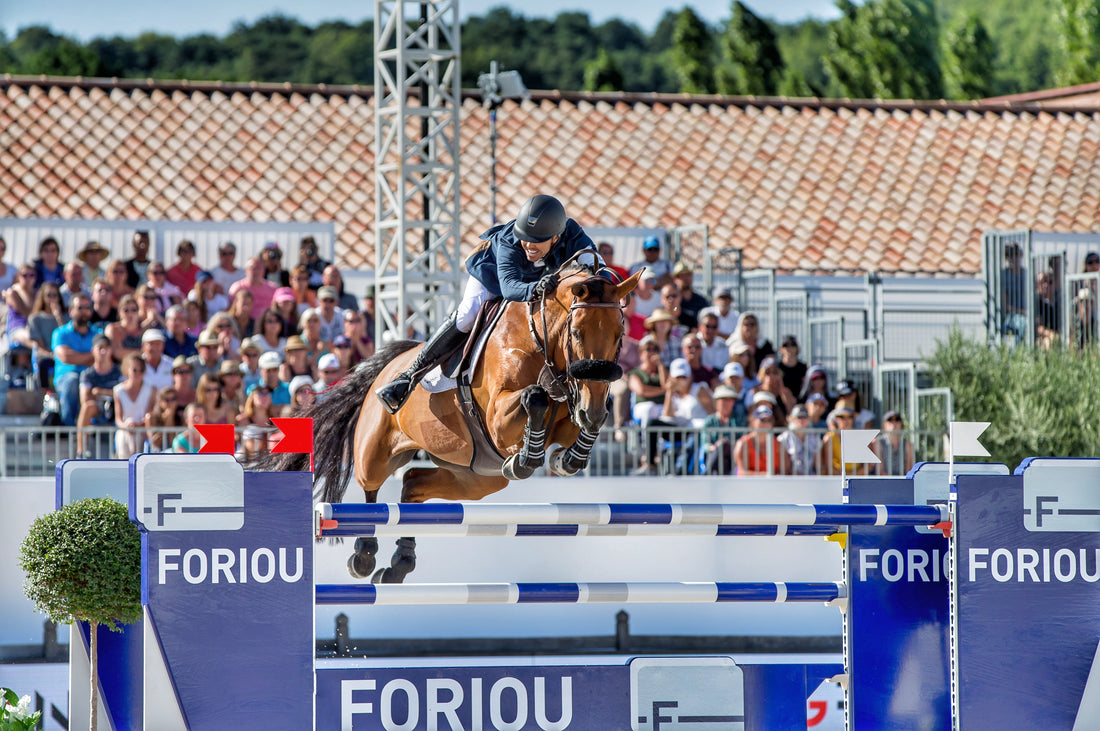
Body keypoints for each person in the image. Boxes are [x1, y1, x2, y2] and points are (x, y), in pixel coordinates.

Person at [377, 194, 602, 413]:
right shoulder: (509, 241)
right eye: (526, 238)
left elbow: (599, 269)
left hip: (538, 282)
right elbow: (509, 287)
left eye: (537, 241)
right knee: (468, 313)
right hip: (492, 276)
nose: (529, 246)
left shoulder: (573, 234)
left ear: (556, 236)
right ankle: (409, 376)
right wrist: (534, 288)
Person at [634, 358, 708, 475]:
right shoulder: (674, 395)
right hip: (681, 430)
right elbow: (667, 416)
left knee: (693, 438)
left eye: (684, 377)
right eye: (678, 377)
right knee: (652, 424)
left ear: (690, 377)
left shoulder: (700, 389)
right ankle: (649, 464)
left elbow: (713, 412)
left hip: (698, 430)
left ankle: (677, 472)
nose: (681, 380)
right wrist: (669, 392)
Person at [51, 293, 100, 427]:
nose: (84, 312)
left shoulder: (99, 333)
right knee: (73, 380)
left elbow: (102, 357)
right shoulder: (60, 333)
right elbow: (66, 357)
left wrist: (76, 356)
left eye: (87, 308)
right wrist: (91, 356)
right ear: (70, 311)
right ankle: (69, 428)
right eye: (80, 308)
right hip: (66, 377)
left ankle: (96, 427)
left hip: (92, 376)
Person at [76, 334, 122, 457]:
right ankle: (81, 452)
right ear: (93, 351)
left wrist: (100, 392)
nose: (103, 351)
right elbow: (85, 399)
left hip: (117, 407)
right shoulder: (87, 374)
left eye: (106, 347)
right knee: (87, 407)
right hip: (99, 409)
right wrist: (111, 393)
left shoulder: (119, 371)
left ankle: (120, 451)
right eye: (100, 347)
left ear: (111, 350)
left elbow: (125, 394)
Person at [113, 352, 155, 459]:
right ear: (127, 369)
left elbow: (149, 414)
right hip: (125, 431)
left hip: (143, 431)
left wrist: (137, 425)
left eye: (141, 370)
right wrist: (127, 426)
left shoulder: (151, 389)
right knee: (123, 437)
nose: (138, 373)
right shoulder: (118, 390)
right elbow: (118, 419)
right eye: (135, 370)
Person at [733, 405, 789, 476]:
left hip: (772, 485)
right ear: (753, 421)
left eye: (770, 420)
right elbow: (742, 472)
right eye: (763, 420)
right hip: (749, 485)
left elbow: (785, 471)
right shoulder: (743, 444)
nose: (766, 423)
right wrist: (764, 475)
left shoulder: (778, 445)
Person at [816, 406, 870, 476]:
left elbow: (868, 466)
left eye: (849, 417)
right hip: (835, 480)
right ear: (836, 419)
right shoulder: (830, 438)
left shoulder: (860, 437)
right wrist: (847, 477)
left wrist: (851, 477)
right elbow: (828, 467)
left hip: (856, 479)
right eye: (841, 417)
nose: (846, 420)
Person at [700, 384, 741, 475]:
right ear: (716, 401)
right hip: (713, 455)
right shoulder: (709, 421)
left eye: (730, 399)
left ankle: (707, 474)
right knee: (721, 451)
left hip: (733, 457)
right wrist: (716, 447)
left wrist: (727, 444)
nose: (727, 403)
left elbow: (742, 439)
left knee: (724, 446)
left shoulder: (738, 420)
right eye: (723, 399)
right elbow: (705, 444)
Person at [778, 404, 820, 475]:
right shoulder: (784, 438)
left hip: (811, 478)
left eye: (804, 417)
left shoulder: (814, 437)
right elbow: (786, 468)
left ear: (808, 419)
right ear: (792, 419)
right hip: (792, 479)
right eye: (798, 417)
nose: (801, 420)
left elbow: (818, 464)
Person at [105, 294, 146, 363]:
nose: (130, 314)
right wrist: (142, 353)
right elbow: (117, 353)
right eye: (126, 310)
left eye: (134, 310)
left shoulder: (144, 330)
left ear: (139, 312)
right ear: (119, 312)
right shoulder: (113, 329)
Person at [1001, 242, 1028, 342]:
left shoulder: (1027, 275)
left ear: (1021, 254)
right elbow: (1006, 305)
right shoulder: (1004, 276)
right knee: (1022, 323)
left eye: (1015, 254)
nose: (1013, 258)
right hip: (1011, 317)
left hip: (1028, 315)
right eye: (1009, 255)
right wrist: (1025, 313)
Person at [875, 410, 915, 476]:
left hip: (902, 482)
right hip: (884, 482)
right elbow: (880, 470)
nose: (894, 423)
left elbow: (908, 470)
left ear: (901, 424)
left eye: (897, 419)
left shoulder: (908, 445)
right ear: (884, 425)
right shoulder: (878, 442)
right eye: (890, 420)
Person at [672, 261, 709, 329]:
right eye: (682, 276)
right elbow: (673, 314)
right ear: (675, 279)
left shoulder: (700, 301)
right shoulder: (672, 300)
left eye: (688, 275)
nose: (685, 278)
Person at [146, 386, 181, 452]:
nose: (170, 403)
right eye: (167, 400)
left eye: (173, 399)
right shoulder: (151, 417)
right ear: (160, 402)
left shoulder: (179, 417)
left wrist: (170, 419)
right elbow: (155, 443)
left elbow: (172, 442)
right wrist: (167, 423)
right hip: (156, 453)